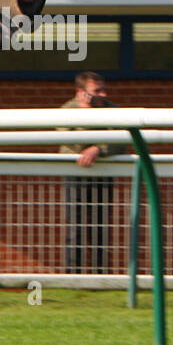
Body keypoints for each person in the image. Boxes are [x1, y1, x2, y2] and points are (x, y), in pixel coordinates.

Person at [60, 72, 122, 274]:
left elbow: (122, 140)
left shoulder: (112, 109)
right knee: (75, 227)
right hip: (75, 173)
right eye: (97, 91)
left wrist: (98, 149)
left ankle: (100, 275)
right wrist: (86, 113)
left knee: (100, 226)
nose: (103, 94)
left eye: (104, 89)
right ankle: (73, 276)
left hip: (102, 173)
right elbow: (70, 141)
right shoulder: (66, 111)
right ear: (81, 92)